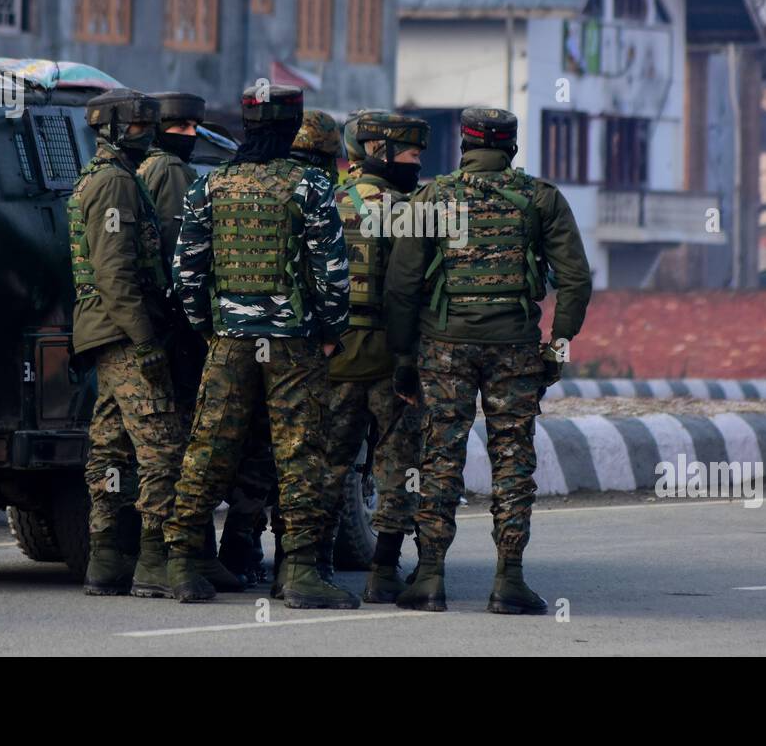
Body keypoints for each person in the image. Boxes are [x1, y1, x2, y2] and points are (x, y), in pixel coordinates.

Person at [384, 107, 592, 614]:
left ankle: (430, 578)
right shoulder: (541, 198)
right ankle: (509, 581)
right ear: (511, 146)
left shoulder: (431, 198)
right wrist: (556, 348)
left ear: (465, 143)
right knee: (513, 460)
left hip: (444, 348)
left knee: (439, 459)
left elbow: (402, 287)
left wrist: (405, 359)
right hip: (516, 351)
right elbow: (576, 280)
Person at [163, 84, 357, 609]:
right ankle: (298, 572)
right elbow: (333, 274)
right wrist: (331, 333)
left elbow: (185, 272)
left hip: (229, 340)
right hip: (294, 345)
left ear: (246, 126)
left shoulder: (212, 185)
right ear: (292, 128)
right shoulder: (311, 186)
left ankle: (182, 564)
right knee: (301, 455)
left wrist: (210, 327)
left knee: (208, 448)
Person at [67, 89, 184, 599]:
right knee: (162, 449)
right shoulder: (114, 183)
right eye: (138, 126)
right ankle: (153, 560)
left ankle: (106, 557)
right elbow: (115, 274)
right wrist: (146, 342)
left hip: (106, 334)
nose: (148, 135)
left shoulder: (110, 178)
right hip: (122, 334)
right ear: (113, 128)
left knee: (111, 447)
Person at [137, 91, 243, 594]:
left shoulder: (139, 169)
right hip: (178, 326)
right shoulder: (174, 174)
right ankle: (185, 556)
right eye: (182, 128)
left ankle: (189, 554)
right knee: (188, 443)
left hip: (151, 322)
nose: (189, 136)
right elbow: (186, 255)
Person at [321, 112, 429, 601]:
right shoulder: (411, 210)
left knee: (324, 464)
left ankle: (305, 565)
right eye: (411, 154)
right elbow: (426, 290)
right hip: (391, 360)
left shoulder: (325, 201)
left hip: (334, 358)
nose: (418, 163)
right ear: (380, 152)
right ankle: (383, 571)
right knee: (398, 465)